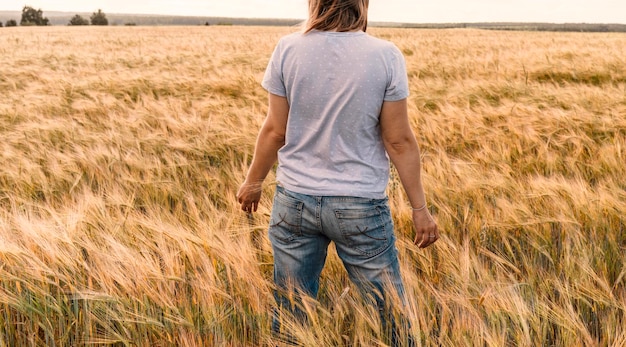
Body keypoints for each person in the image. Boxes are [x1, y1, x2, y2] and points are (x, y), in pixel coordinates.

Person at [237, 0, 439, 344]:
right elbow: (399, 140)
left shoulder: (288, 49)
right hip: (360, 204)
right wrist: (419, 209)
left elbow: (275, 130)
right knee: (389, 317)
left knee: (290, 315)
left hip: (294, 202)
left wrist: (253, 182)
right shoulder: (385, 55)